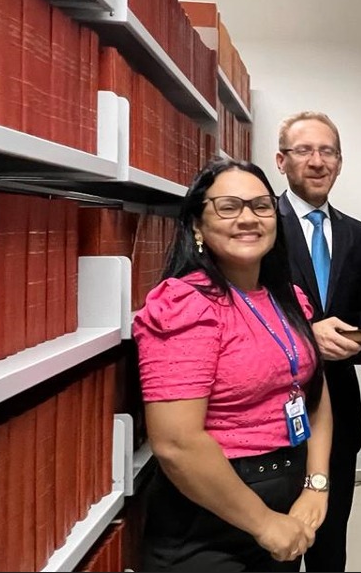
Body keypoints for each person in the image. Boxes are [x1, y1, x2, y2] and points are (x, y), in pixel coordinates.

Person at [132, 158, 334, 571]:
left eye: (261, 206)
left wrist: (316, 484)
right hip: (210, 520)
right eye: (229, 206)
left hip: (287, 506)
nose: (248, 218)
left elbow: (314, 394)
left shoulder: (287, 299)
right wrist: (262, 523)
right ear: (196, 225)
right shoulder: (185, 304)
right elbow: (176, 443)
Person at [275, 110, 361, 572]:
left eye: (327, 152)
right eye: (305, 151)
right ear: (281, 160)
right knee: (282, 537)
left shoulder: (355, 232)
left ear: (340, 163)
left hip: (341, 402)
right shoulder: (262, 225)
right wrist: (308, 336)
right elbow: (249, 310)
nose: (317, 161)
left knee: (331, 537)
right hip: (276, 405)